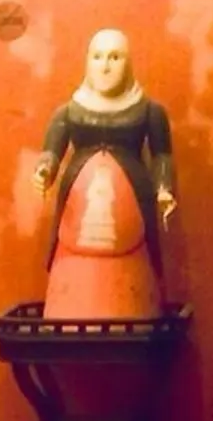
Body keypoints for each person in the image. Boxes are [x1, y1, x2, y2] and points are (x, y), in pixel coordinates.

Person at [33, 29, 176, 320]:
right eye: (98, 57)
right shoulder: (68, 111)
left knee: (132, 268)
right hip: (77, 211)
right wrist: (44, 171)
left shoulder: (150, 111)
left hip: (131, 210)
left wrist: (164, 188)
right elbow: (51, 153)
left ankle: (135, 313)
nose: (105, 66)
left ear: (128, 63)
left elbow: (162, 156)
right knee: (74, 264)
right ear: (87, 61)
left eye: (115, 57)